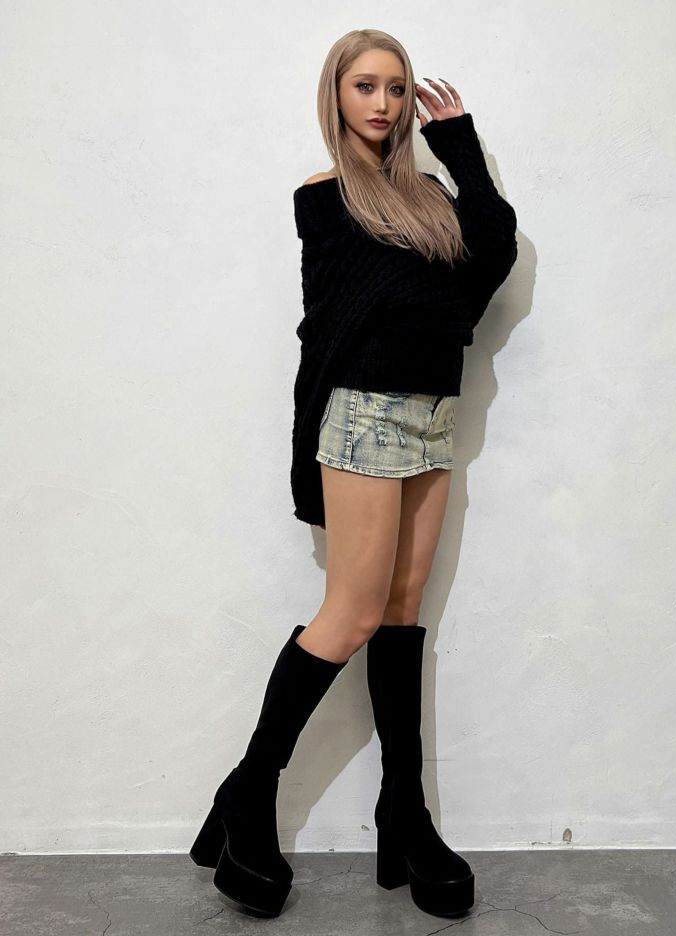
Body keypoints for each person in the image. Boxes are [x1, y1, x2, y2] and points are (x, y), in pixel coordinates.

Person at [190, 28, 518, 920]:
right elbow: (410, 298)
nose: (383, 102)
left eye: (397, 88)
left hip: (434, 414)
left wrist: (460, 148)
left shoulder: (432, 195)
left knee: (404, 614)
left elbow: (490, 259)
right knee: (353, 614)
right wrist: (441, 291)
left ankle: (403, 815)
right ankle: (250, 794)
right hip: (366, 414)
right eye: (365, 85)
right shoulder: (325, 197)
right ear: (336, 94)